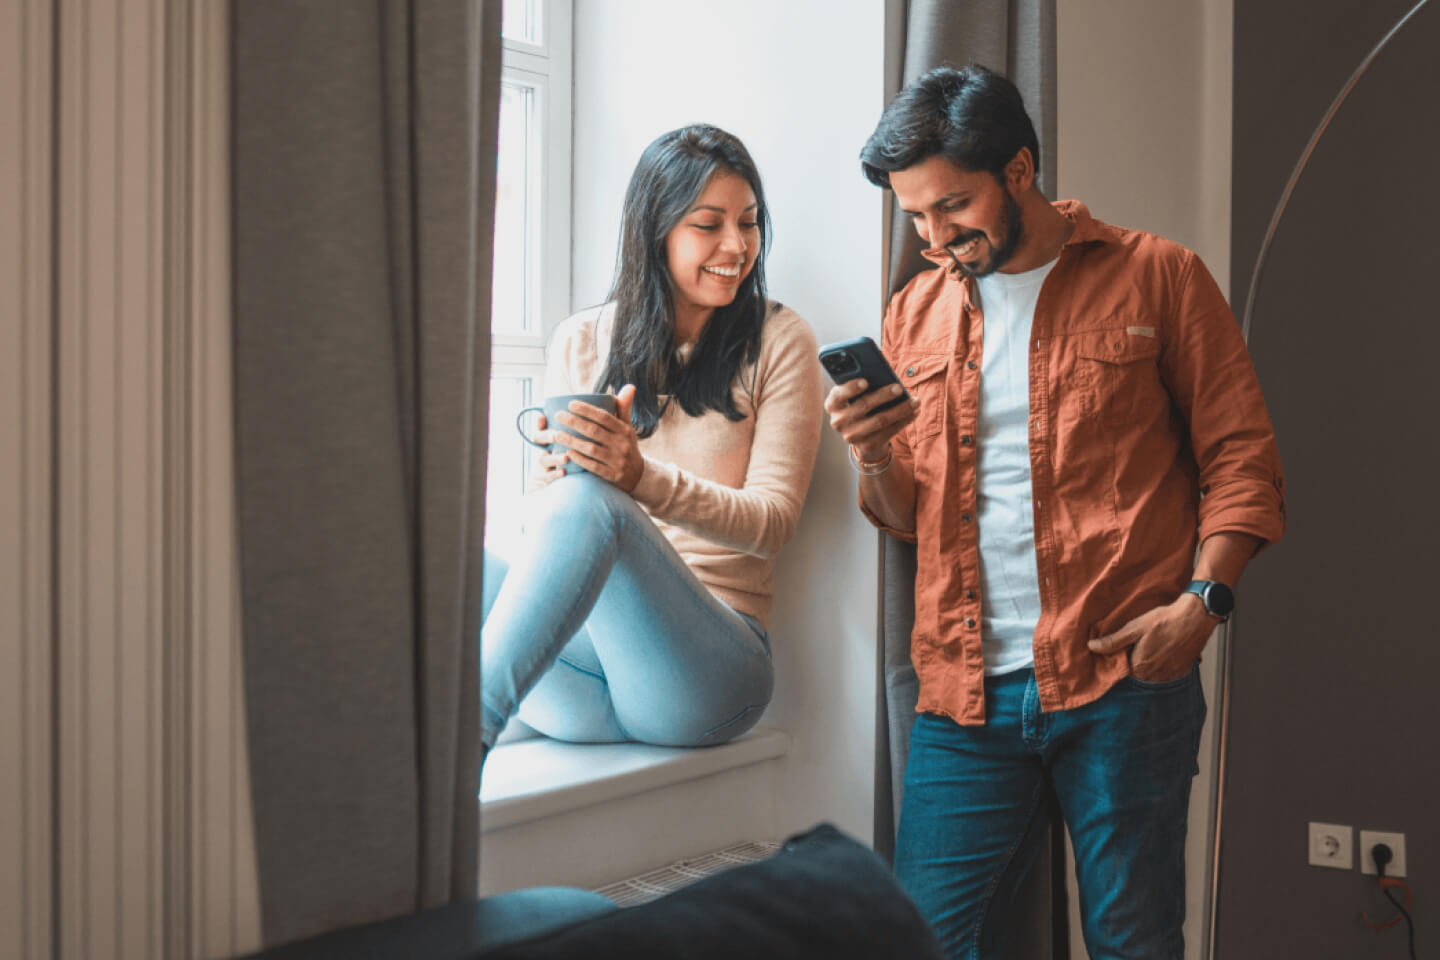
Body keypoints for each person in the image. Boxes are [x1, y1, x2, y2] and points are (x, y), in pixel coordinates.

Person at [827, 65, 1286, 959]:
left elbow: (1244, 458)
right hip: (962, 696)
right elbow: (905, 516)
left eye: (951, 207)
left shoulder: (1159, 277)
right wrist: (874, 451)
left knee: (1133, 943)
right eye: (915, 215)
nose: (934, 236)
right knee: (919, 940)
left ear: (1021, 170)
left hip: (1122, 682)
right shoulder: (913, 313)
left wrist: (1203, 605)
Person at [481, 124, 822, 757]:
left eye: (748, 223)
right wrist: (557, 489)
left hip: (709, 680)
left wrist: (637, 481)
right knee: (450, 558)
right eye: (708, 224)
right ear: (656, 231)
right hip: (590, 680)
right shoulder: (581, 341)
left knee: (594, 505)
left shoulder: (780, 340)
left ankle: (460, 744)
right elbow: (541, 530)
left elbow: (772, 523)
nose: (735, 245)